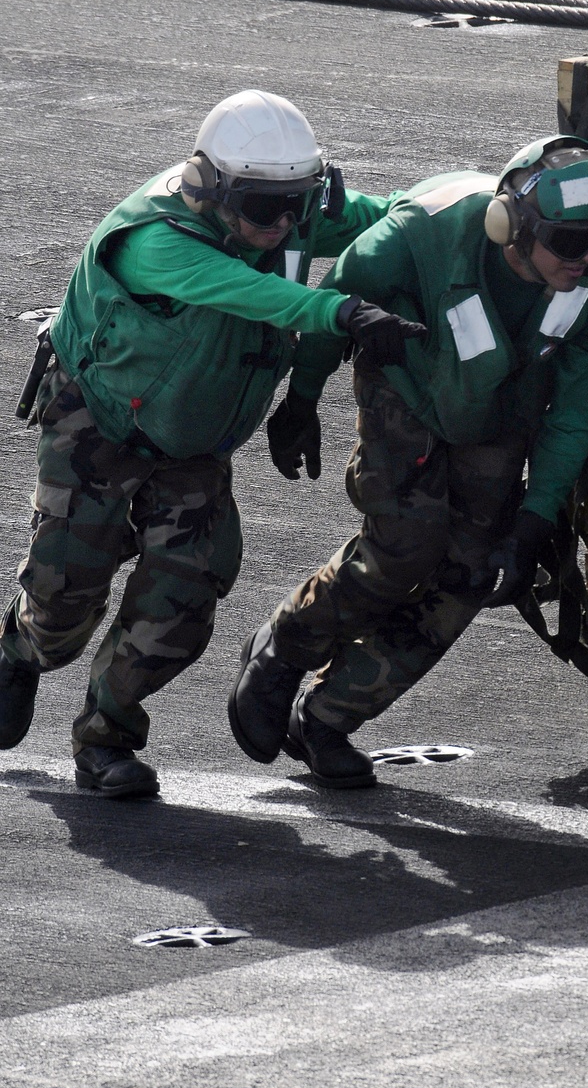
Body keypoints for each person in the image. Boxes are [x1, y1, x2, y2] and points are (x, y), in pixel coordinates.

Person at [0, 89, 424, 798]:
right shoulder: (157, 238)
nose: (285, 222)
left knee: (186, 596)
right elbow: (247, 293)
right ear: (212, 189)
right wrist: (339, 310)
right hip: (100, 425)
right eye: (264, 207)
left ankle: (105, 738)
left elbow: (387, 220)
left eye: (299, 202)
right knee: (64, 608)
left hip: (193, 442)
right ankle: (19, 648)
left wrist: (449, 210)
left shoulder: (282, 212)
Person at [227, 134, 588, 787]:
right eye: (567, 241)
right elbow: (337, 307)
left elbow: (576, 415)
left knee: (472, 575)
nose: (585, 258)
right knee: (405, 546)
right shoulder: (420, 236)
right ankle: (285, 646)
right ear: (512, 225)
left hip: (498, 410)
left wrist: (530, 522)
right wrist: (300, 403)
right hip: (406, 385)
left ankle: (329, 717)